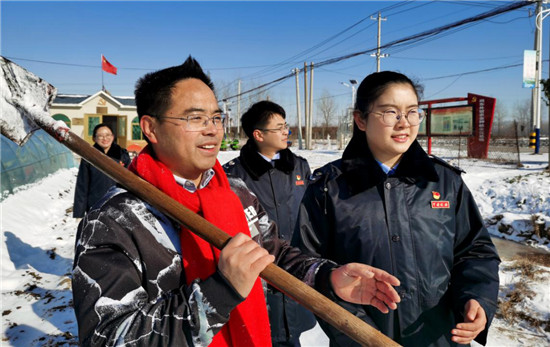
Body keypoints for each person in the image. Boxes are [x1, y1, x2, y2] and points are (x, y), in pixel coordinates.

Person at [71, 57, 402, 347]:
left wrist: (327, 277)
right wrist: (219, 292)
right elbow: (107, 337)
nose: (213, 131)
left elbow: (272, 254)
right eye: (194, 119)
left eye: (216, 118)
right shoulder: (114, 220)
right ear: (151, 128)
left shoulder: (236, 192)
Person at [292, 71, 500, 347]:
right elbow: (305, 265)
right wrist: (357, 332)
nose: (404, 124)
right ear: (361, 119)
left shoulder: (444, 181)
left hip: (438, 337)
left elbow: (475, 250)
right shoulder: (329, 188)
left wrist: (478, 298)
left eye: (412, 112)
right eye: (390, 112)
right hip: (359, 340)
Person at [223, 100, 315, 347]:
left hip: (296, 273)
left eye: (286, 125)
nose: (286, 131)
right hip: (257, 281)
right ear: (259, 135)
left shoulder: (300, 167)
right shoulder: (233, 176)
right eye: (279, 127)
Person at [72, 123, 130, 218]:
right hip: (95, 204)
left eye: (108, 135)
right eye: (100, 136)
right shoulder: (89, 156)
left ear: (113, 136)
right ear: (94, 138)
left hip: (118, 204)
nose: (105, 138)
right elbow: (82, 185)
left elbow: (129, 182)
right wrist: (79, 213)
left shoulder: (122, 155)